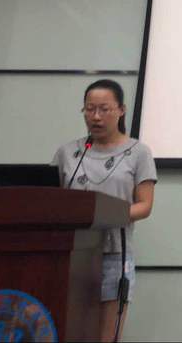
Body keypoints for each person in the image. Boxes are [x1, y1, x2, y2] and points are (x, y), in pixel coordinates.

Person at [52, 79, 157, 342]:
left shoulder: (138, 152)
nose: (96, 117)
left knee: (106, 336)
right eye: (89, 109)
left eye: (104, 109)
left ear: (121, 110)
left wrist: (104, 215)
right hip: (70, 254)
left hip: (115, 255)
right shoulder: (68, 153)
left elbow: (145, 205)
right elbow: (51, 200)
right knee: (67, 330)